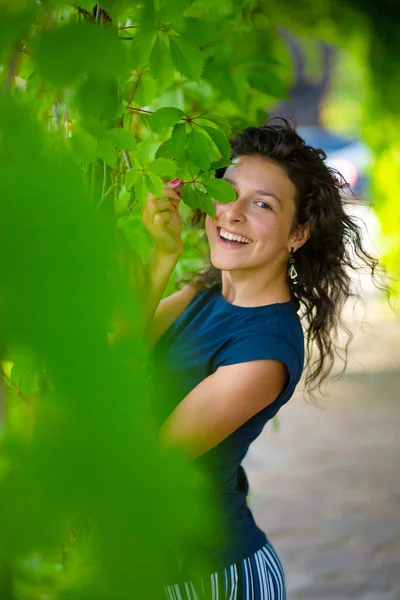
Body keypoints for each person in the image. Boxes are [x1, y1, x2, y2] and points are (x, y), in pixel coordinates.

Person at [122, 119, 388, 599]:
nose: (233, 214)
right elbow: (114, 347)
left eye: (262, 204)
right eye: (227, 191)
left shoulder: (264, 353)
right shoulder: (206, 289)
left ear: (298, 234)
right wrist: (162, 257)